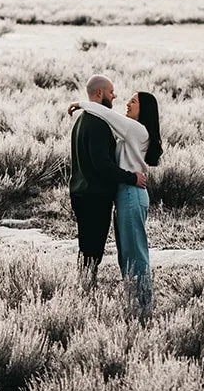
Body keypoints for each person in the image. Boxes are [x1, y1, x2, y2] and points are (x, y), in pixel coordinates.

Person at [70, 86, 162, 319]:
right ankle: (134, 302)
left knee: (135, 253)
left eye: (134, 102)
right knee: (126, 254)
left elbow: (108, 115)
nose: (127, 103)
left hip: (132, 194)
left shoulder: (136, 129)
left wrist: (82, 104)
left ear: (144, 110)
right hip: (125, 195)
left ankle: (143, 307)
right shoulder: (131, 130)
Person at [68, 74, 144, 290]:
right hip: (95, 196)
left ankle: (84, 287)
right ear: (100, 93)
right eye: (111, 92)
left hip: (81, 192)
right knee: (93, 250)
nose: (115, 95)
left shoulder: (82, 120)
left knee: (87, 246)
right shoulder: (97, 123)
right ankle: (85, 289)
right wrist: (132, 177)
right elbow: (102, 165)